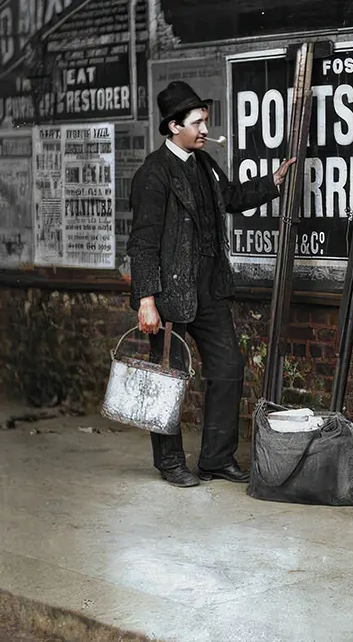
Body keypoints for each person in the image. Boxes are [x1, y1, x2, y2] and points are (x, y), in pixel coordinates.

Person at [128, 80, 294, 488]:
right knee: (168, 377)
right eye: (197, 122)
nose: (205, 129)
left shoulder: (203, 164)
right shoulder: (154, 173)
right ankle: (169, 463)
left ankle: (216, 459)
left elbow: (231, 196)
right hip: (169, 294)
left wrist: (271, 182)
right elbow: (144, 241)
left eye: (205, 121)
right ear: (172, 127)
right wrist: (146, 298)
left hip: (209, 288)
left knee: (228, 368)